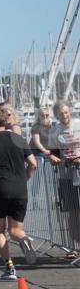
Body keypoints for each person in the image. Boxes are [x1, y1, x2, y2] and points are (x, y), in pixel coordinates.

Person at [0, 106, 38, 279]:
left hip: (0, 189)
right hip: (20, 189)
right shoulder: (18, 138)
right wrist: (25, 178)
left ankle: (10, 268)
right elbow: (33, 164)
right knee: (15, 230)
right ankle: (23, 239)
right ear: (6, 122)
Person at [49, 100, 80, 259]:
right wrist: (52, 157)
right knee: (72, 212)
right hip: (66, 175)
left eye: (67, 112)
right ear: (57, 115)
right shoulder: (55, 131)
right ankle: (74, 246)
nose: (65, 116)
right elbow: (52, 152)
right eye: (61, 114)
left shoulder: (78, 125)